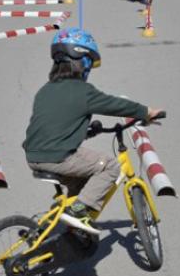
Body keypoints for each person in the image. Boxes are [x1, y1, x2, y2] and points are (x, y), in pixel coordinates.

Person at [22, 29, 163, 231]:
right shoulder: (83, 91)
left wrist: (87, 132)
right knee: (110, 166)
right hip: (58, 156)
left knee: (81, 180)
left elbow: (55, 125)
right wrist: (145, 112)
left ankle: (70, 227)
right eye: (88, 62)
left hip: (34, 156)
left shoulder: (45, 90)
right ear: (82, 62)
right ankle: (78, 210)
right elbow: (114, 105)